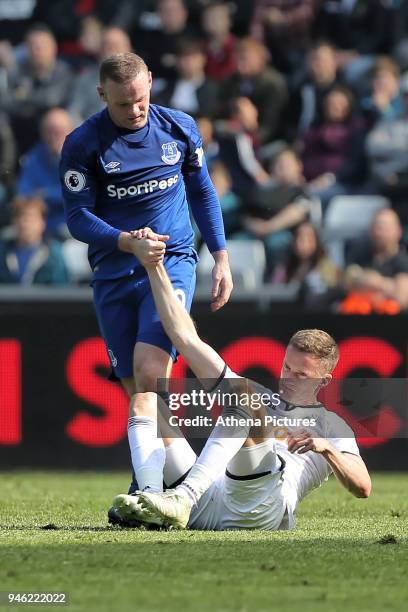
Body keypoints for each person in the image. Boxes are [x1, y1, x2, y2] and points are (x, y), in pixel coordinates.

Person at [111, 227, 371, 531]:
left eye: (301, 374)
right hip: (210, 499)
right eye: (287, 368)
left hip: (260, 510)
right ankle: (152, 500)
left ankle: (182, 497)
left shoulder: (331, 426)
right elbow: (184, 337)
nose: (288, 379)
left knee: (243, 395)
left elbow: (363, 487)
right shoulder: (257, 397)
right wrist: (154, 267)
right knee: (145, 401)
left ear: (324, 381)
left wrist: (325, 447)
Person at [60, 52, 232, 500]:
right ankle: (185, 484)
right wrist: (125, 242)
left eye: (140, 99)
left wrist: (221, 256)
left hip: (171, 260)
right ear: (102, 95)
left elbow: (202, 190)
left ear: (151, 82)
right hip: (115, 271)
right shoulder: (83, 144)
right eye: (123, 104)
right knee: (138, 389)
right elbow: (77, 218)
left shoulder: (178, 127)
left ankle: (147, 491)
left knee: (151, 372)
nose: (135, 110)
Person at [17, 108, 74, 238]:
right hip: (41, 228)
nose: (54, 136)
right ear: (42, 133)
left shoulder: (84, 156)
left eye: (59, 131)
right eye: (49, 131)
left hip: (74, 227)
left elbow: (80, 195)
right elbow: (24, 196)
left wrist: (46, 194)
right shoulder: (34, 158)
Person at [0, 196, 69, 285]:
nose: (23, 223)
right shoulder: (2, 253)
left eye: (30, 217)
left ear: (42, 222)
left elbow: (62, 290)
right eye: (18, 217)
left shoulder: (54, 254)